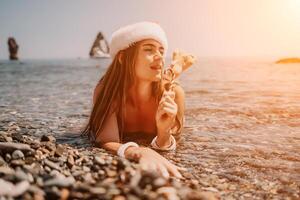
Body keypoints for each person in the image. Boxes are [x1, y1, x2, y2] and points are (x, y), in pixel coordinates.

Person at [82, 21, 193, 179]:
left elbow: (170, 142)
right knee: (170, 76)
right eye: (148, 49)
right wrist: (139, 151)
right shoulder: (107, 91)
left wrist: (164, 133)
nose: (160, 56)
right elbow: (106, 140)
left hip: (166, 86)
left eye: (162, 51)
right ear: (122, 57)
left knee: (171, 80)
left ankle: (177, 66)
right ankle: (177, 67)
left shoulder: (174, 94)